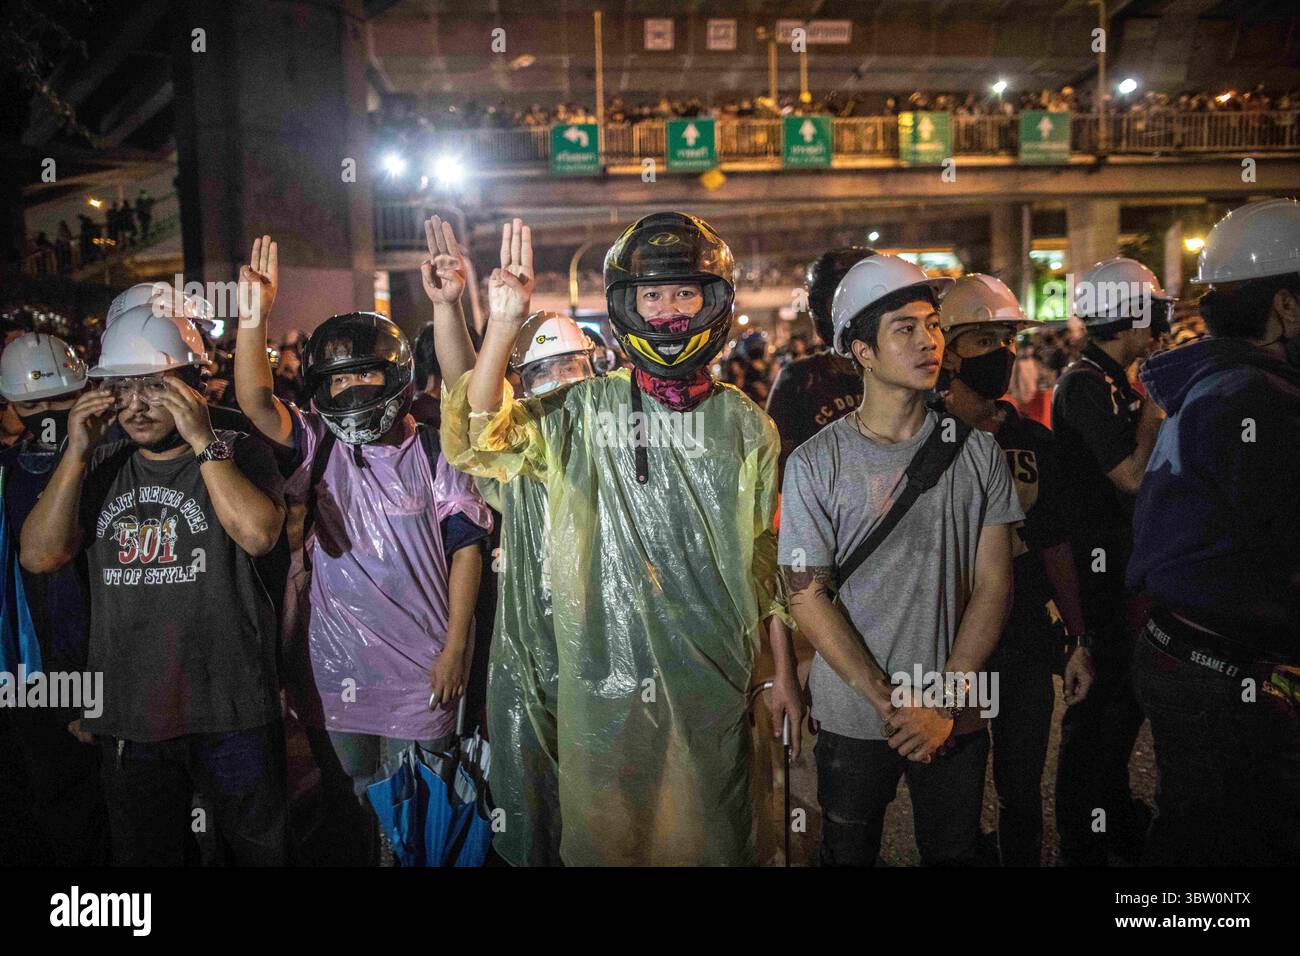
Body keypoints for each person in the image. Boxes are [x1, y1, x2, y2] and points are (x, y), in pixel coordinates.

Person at [441, 213, 799, 865]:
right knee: (612, 842)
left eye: (684, 293)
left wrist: (780, 679)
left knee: (711, 839)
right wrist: (500, 326)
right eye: (652, 296)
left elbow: (763, 564)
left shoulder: (747, 426)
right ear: (625, 306)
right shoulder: (582, 411)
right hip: (603, 689)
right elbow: (476, 440)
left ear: (713, 301)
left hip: (711, 685)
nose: (668, 311)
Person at [232, 235, 491, 866]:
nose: (353, 389)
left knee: (425, 805)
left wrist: (456, 649)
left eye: (366, 374)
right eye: (340, 378)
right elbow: (255, 404)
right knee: (351, 803)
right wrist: (252, 319)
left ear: (396, 378)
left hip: (425, 669)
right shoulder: (320, 444)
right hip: (334, 669)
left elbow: (467, 550)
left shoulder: (436, 448)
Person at [20, 309, 289, 866]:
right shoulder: (99, 461)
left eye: (154, 386)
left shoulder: (238, 448)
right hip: (133, 717)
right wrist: (74, 452)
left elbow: (259, 535)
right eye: (122, 386)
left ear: (194, 385)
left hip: (231, 707)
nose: (136, 404)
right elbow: (41, 556)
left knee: (256, 854)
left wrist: (201, 439)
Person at [778, 255, 1021, 867]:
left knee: (955, 850)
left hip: (953, 715)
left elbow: (994, 583)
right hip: (855, 714)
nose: (928, 342)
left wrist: (941, 699)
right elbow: (806, 592)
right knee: (849, 849)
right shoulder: (814, 463)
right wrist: (889, 701)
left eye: (932, 325)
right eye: (904, 329)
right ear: (861, 351)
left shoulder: (978, 455)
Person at [1127, 198, 1300, 865]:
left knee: (1196, 826)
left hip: (1182, 645)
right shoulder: (1260, 398)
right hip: (1224, 666)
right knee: (1239, 836)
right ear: (1284, 306)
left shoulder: (1212, 381)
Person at [937, 274, 1094, 866]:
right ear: (946, 348)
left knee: (1021, 788)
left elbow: (1055, 543)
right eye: (984, 339)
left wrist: (1079, 637)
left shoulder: (1034, 441)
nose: (1001, 353)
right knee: (951, 794)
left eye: (1007, 338)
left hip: (1026, 641)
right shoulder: (918, 441)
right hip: (948, 645)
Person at [1050, 255, 1169, 866]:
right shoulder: (1085, 384)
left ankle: (1112, 816)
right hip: (1096, 572)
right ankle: (1085, 836)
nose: (1162, 323)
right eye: (1154, 310)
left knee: (1121, 707)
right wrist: (1153, 415)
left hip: (1118, 566)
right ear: (1130, 315)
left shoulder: (1110, 379)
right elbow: (1130, 476)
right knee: (1098, 711)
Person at [477, 310, 596, 866]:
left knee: (600, 797)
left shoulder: (615, 440)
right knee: (533, 793)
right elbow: (475, 416)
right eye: (543, 371)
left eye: (569, 367)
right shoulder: (514, 452)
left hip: (604, 649)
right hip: (530, 650)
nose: (558, 382)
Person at [0, 333, 108, 866]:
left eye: (59, 402)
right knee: (66, 818)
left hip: (103, 670)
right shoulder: (8, 473)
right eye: (32, 405)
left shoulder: (115, 455)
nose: (46, 416)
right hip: (35, 676)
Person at [766, 248, 874, 486]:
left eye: (862, 299)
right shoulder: (798, 377)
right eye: (838, 301)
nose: (850, 312)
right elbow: (777, 463)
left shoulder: (905, 372)